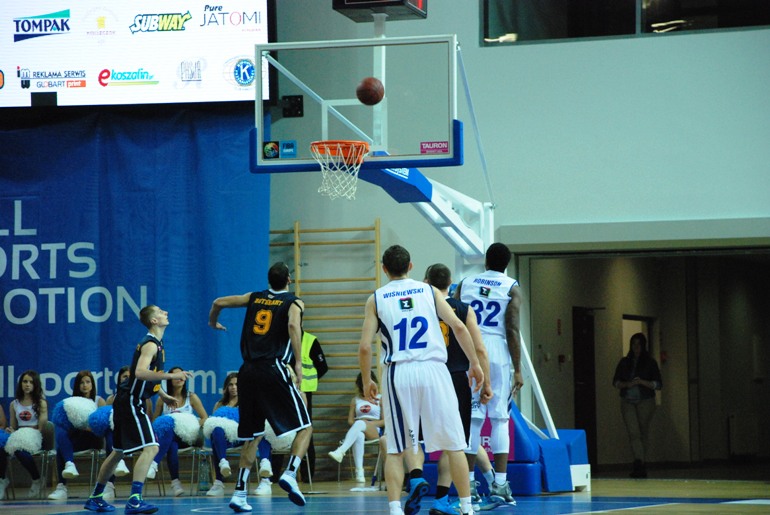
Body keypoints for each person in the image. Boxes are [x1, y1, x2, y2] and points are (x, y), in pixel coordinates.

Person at [358, 245, 484, 515]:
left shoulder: (376, 298)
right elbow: (458, 326)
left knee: (396, 447)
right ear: (411, 266)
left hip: (398, 371)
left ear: (384, 269)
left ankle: (395, 509)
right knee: (455, 444)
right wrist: (474, 363)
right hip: (434, 370)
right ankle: (467, 507)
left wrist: (367, 380)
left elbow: (365, 347)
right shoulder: (429, 291)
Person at [209, 261, 312, 512]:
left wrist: (213, 322)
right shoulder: (294, 301)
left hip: (247, 371)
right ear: (289, 280)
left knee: (253, 436)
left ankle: (239, 493)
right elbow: (292, 325)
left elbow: (218, 302)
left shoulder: (254, 297)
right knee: (305, 426)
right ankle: (290, 473)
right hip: (273, 368)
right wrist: (298, 362)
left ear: (269, 280)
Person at [83, 305, 191, 514]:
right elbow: (140, 372)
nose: (166, 312)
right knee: (152, 448)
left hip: (126, 399)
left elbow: (149, 375)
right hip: (132, 402)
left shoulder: (157, 343)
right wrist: (171, 376)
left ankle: (95, 497)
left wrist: (162, 394)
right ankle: (134, 500)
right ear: (154, 321)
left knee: (118, 452)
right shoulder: (150, 345)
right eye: (160, 312)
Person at [414, 263, 498, 515]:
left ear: (426, 282)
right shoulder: (463, 309)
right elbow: (480, 348)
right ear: (450, 284)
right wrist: (486, 382)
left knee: (414, 438)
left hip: (424, 376)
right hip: (455, 377)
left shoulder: (421, 306)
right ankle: (443, 500)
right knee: (454, 443)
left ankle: (415, 477)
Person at [455, 242, 524, 505]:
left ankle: (469, 485)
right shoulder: (511, 286)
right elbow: (512, 328)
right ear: (507, 264)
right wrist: (518, 369)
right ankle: (500, 484)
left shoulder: (466, 283)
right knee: (499, 418)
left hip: (469, 348)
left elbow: (455, 320)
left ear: (485, 261)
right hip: (496, 350)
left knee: (472, 418)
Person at [146, 366, 208, 496]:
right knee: (171, 442)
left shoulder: (191, 397)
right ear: (170, 379)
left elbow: (204, 417)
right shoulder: (163, 399)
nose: (179, 378)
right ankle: (175, 483)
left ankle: (154, 463)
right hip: (171, 439)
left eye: (181, 376)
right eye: (176, 376)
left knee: (170, 438)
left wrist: (190, 423)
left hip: (187, 437)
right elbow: (156, 421)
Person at [48, 370, 108, 501]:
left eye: (88, 382)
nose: (85, 385)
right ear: (77, 385)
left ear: (92, 384)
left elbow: (104, 427)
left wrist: (90, 427)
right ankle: (63, 485)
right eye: (81, 383)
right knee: (61, 435)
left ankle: (68, 467)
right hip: (77, 436)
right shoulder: (71, 402)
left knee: (62, 449)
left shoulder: (99, 401)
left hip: (93, 438)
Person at [613, 332, 662, 479]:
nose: (636, 347)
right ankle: (639, 462)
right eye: (634, 344)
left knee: (642, 431)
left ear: (643, 346)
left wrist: (641, 382)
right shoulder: (624, 362)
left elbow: (658, 384)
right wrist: (627, 384)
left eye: (639, 344)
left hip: (645, 400)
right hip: (627, 400)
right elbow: (615, 382)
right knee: (634, 432)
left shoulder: (650, 363)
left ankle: (640, 462)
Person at [327, 371, 386, 483]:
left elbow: (384, 421)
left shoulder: (380, 398)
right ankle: (359, 472)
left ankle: (341, 451)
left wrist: (368, 424)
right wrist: (361, 423)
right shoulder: (355, 400)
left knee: (360, 424)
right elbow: (350, 420)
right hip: (359, 427)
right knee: (358, 434)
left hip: (374, 429)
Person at [0, 370, 48, 499]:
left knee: (18, 450)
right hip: (18, 435)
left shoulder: (41, 403)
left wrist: (28, 432)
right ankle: (2, 479)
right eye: (25, 381)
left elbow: (41, 427)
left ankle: (37, 479)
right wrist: (11, 430)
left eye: (31, 382)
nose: (27, 384)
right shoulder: (14, 404)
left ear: (35, 385)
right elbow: (13, 426)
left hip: (35, 435)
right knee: (1, 447)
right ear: (20, 384)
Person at [287, 330, 328, 481]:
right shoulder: (281, 338)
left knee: (305, 430)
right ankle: (275, 475)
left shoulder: (310, 340)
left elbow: (322, 367)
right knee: (280, 430)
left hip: (304, 392)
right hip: (283, 391)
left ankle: (307, 475)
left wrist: (307, 382)